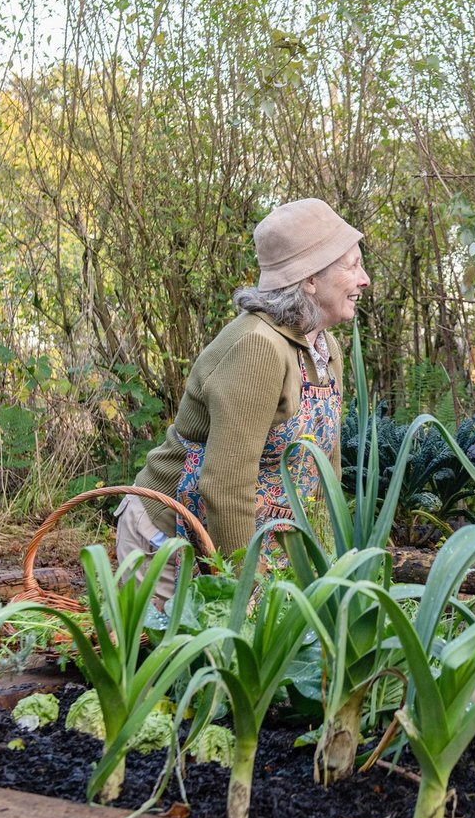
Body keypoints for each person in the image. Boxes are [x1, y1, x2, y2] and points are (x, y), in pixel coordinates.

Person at [115, 198, 371, 604]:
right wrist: (246, 592)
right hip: (172, 543)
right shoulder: (258, 348)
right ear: (309, 280)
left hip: (249, 544)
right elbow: (225, 484)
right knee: (174, 665)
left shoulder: (324, 346)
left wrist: (321, 562)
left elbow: (325, 468)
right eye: (351, 266)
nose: (365, 279)